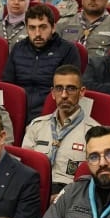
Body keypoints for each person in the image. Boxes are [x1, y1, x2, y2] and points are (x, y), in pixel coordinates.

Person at [22, 66, 100, 194]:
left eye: (71, 89)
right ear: (53, 93)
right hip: (34, 190)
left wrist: (61, 197)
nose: (64, 95)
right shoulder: (37, 125)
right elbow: (24, 168)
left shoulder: (95, 133)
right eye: (59, 89)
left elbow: (93, 180)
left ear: (81, 92)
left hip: (71, 194)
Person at [1, 4, 82, 123]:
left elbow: (67, 92)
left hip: (52, 114)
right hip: (17, 112)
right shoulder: (18, 48)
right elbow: (7, 85)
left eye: (43, 27)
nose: (37, 33)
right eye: (32, 28)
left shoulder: (68, 50)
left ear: (53, 27)